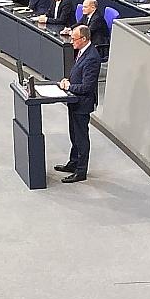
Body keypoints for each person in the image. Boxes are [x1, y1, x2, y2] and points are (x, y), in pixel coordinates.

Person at [54, 25, 102, 183]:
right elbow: (78, 73)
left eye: (74, 39)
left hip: (82, 103)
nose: (71, 41)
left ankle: (81, 171)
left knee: (81, 138)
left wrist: (69, 87)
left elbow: (88, 86)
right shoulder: (82, 51)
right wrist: (68, 81)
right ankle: (73, 163)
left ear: (84, 39)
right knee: (74, 135)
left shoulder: (92, 57)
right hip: (74, 101)